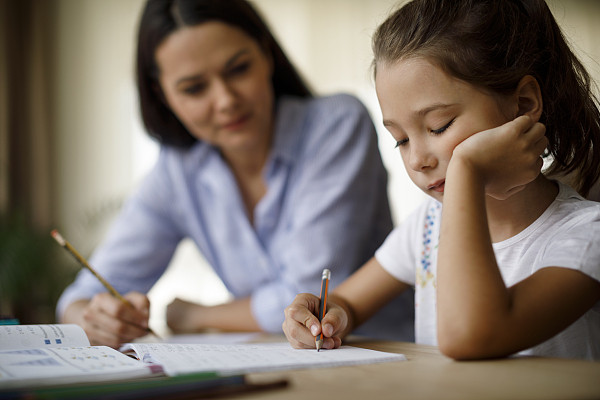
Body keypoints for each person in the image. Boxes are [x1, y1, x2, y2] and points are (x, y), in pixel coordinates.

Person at [56, 0, 415, 348]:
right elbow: (77, 300)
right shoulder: (176, 172)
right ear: (161, 93)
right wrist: (94, 319)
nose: (226, 100)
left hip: (384, 357)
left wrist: (198, 315)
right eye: (194, 88)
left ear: (265, 53)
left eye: (238, 69)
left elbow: (304, 299)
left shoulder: (336, 126)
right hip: (268, 366)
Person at [283, 0, 600, 360]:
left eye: (439, 126)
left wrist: (467, 168)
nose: (417, 159)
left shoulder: (587, 237)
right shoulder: (427, 226)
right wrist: (327, 314)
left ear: (524, 105)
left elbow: (470, 336)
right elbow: (347, 302)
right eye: (401, 140)